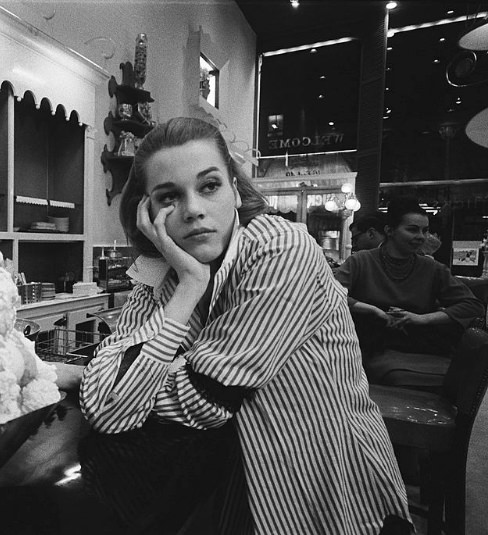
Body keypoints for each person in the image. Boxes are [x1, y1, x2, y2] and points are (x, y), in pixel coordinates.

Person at [79, 117, 410, 534]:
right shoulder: (164, 270)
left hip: (325, 484)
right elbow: (112, 410)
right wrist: (189, 286)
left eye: (209, 185)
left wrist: (140, 375)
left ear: (235, 189)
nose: (193, 209)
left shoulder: (281, 247)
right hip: (234, 480)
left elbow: (204, 400)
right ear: (146, 212)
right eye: (168, 197)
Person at [335, 197, 482, 361]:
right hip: (362, 344)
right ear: (389, 230)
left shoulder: (432, 268)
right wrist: (373, 310)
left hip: (415, 345)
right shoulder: (361, 260)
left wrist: (423, 319)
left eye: (424, 230)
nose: (421, 237)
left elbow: (472, 306)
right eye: (412, 230)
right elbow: (331, 296)